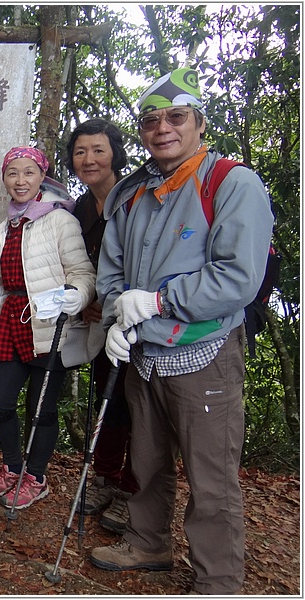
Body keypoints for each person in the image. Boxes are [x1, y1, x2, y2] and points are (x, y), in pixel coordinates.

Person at [90, 68, 274, 595]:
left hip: (205, 348)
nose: (162, 128)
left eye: (176, 117)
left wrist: (159, 300)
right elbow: (112, 267)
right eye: (151, 120)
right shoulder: (131, 191)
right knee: (145, 458)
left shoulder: (231, 183)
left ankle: (219, 580)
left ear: (198, 122)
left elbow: (239, 275)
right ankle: (149, 542)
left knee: (211, 477)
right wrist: (115, 317)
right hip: (143, 351)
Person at [0, 147, 96, 510]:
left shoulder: (60, 220)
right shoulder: (8, 224)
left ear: (42, 177)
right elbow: (7, 281)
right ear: (4, 179)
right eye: (13, 173)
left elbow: (83, 274)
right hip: (13, 322)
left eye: (29, 173)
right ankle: (13, 468)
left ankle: (36, 477)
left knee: (41, 409)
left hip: (50, 324)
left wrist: (77, 298)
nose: (20, 181)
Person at [67, 118, 138, 535]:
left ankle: (132, 491)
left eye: (98, 150)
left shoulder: (137, 199)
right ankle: (105, 479)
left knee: (138, 407)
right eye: (80, 151)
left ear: (114, 152)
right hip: (98, 324)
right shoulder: (80, 207)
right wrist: (85, 303)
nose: (89, 159)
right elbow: (77, 264)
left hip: (139, 320)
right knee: (107, 402)